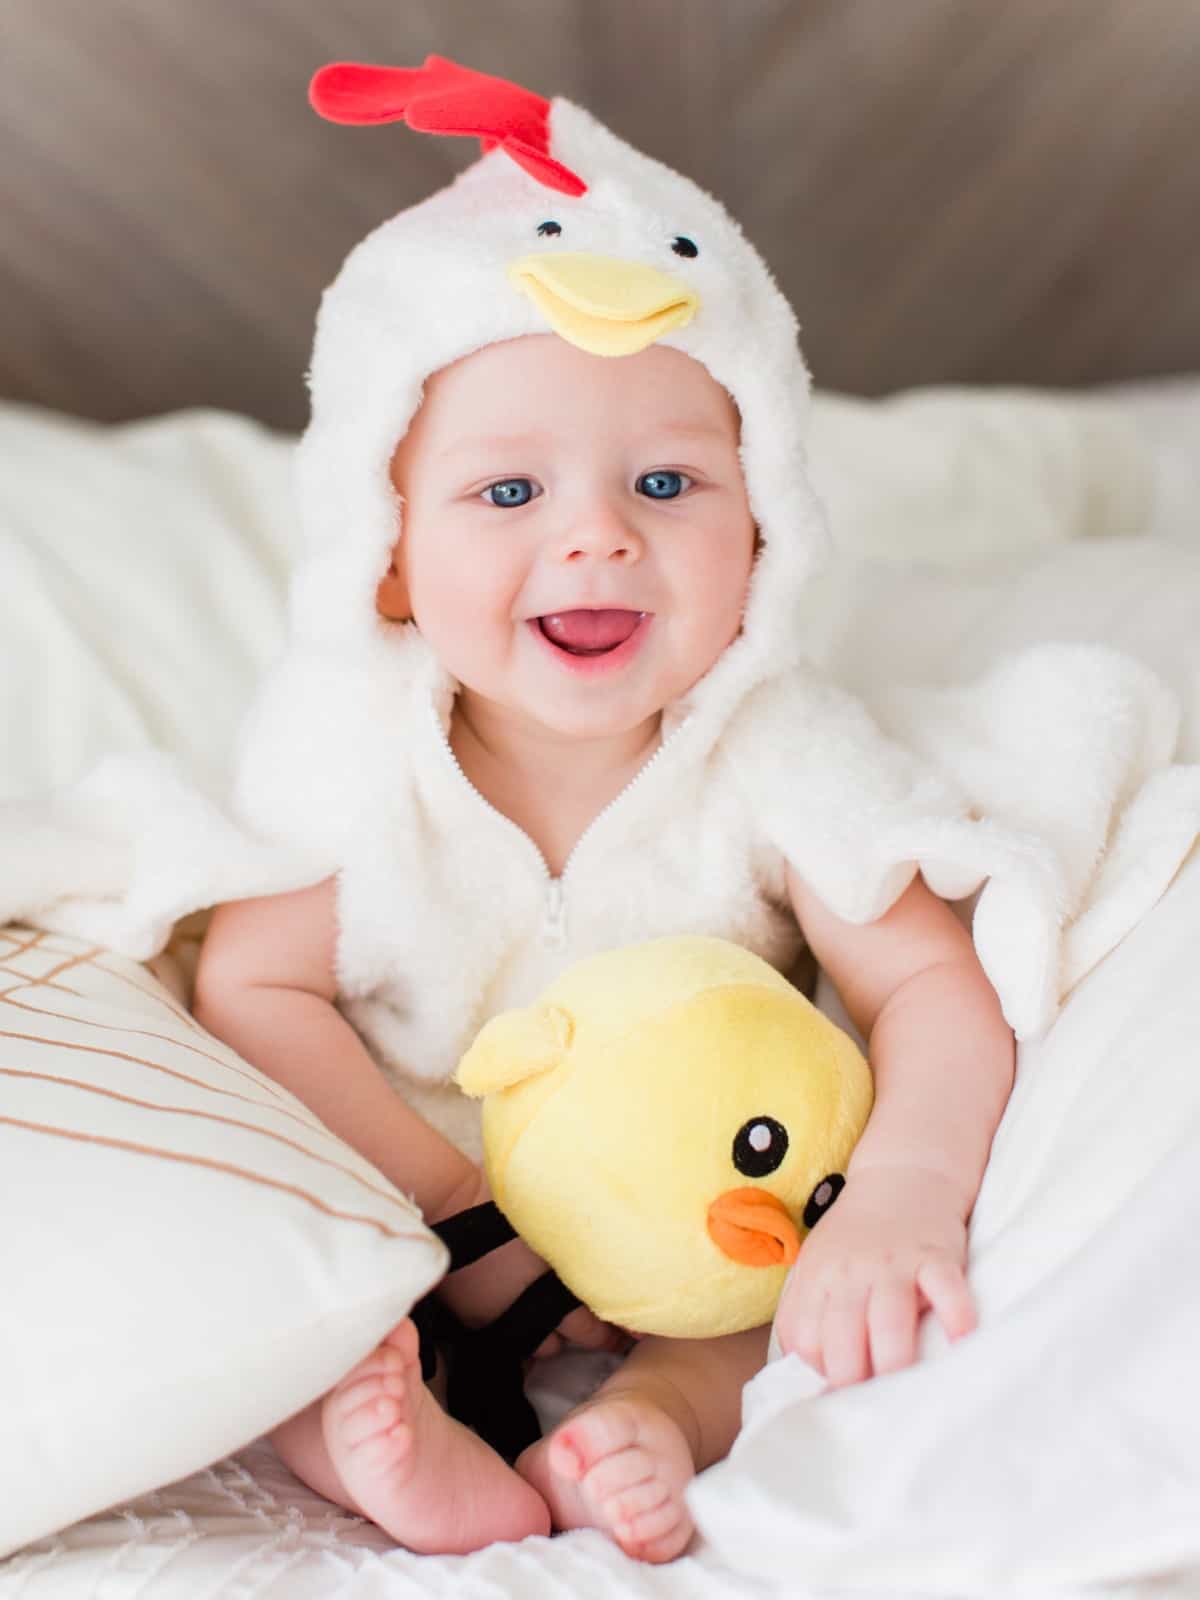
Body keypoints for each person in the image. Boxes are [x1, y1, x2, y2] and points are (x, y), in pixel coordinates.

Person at [192, 55, 1015, 1562]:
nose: (595, 541)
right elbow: (249, 984)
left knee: (750, 1332)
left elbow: (929, 984)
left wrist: (900, 1200)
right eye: (508, 495)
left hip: (694, 1245)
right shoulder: (357, 757)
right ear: (385, 555)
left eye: (666, 484)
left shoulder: (770, 743)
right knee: (289, 1315)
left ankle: (651, 1425)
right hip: (421, 1236)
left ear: (765, 527)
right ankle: (390, 1454)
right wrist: (455, 1222)